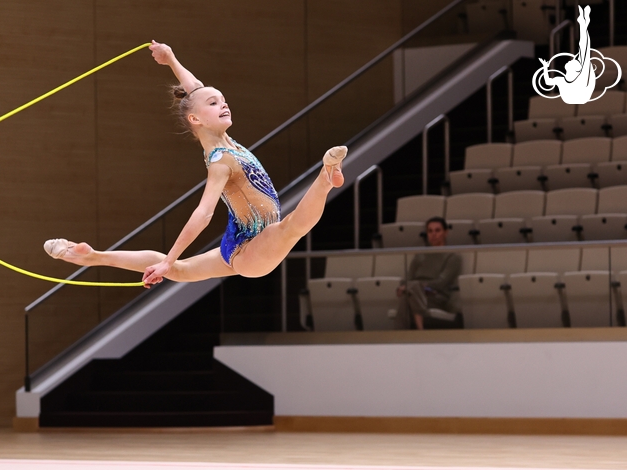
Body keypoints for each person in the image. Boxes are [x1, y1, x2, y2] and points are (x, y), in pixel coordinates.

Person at [44, 41, 348, 288]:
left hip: (238, 240)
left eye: (223, 99)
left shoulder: (223, 141)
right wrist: (166, 260)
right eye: (214, 104)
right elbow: (203, 214)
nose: (223, 103)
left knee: (182, 270)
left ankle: (92, 257)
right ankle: (326, 175)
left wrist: (171, 59)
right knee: (291, 228)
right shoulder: (220, 161)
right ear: (196, 119)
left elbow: (196, 90)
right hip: (254, 249)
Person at [394, 217, 461, 330]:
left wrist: (418, 286)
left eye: (437, 230)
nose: (433, 234)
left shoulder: (452, 257)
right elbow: (408, 278)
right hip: (415, 293)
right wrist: (414, 287)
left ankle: (400, 336)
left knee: (411, 291)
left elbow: (441, 282)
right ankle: (420, 331)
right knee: (409, 293)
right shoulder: (419, 255)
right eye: (430, 231)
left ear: (446, 232)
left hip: (435, 296)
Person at [538, 6, 595, 104]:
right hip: (571, 99)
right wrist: (545, 67)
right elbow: (548, 82)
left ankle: (583, 24)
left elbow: (584, 48)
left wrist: (583, 26)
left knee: (584, 51)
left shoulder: (581, 78)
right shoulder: (561, 80)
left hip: (581, 96)